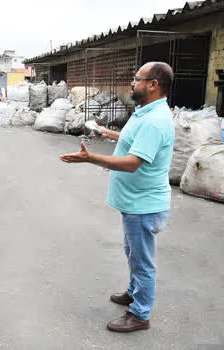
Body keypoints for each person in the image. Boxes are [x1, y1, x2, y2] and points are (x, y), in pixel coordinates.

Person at [60, 62, 175, 333]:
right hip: (135, 202)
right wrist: (105, 132)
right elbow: (131, 138)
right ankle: (135, 292)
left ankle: (140, 314)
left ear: (153, 84)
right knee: (132, 252)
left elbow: (133, 162)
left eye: (137, 79)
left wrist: (89, 159)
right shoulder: (146, 113)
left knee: (141, 260)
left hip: (144, 205)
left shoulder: (155, 121)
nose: (132, 83)